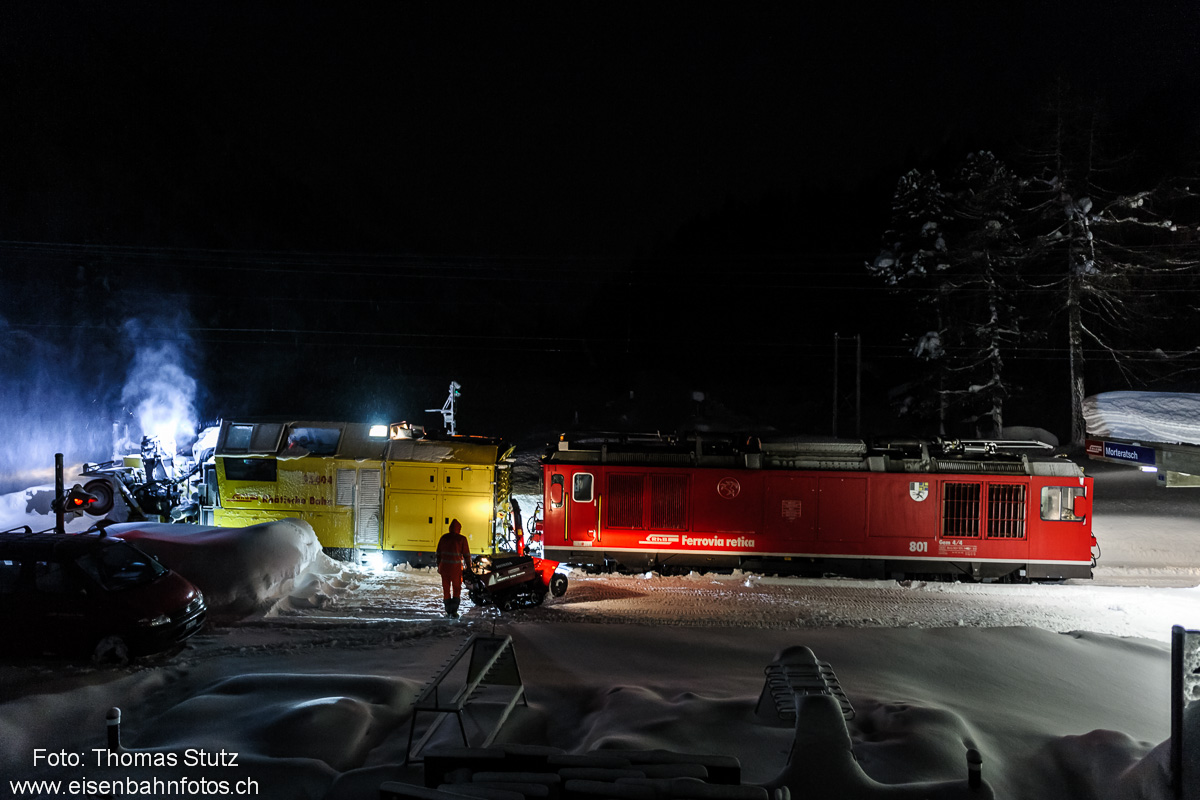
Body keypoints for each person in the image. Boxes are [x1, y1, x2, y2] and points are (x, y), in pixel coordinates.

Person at [436, 518, 472, 618]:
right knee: (456, 589)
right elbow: (466, 555)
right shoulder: (462, 539)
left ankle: (448, 610)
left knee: (446, 590)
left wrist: (439, 565)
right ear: (459, 528)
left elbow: (438, 553)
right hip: (456, 570)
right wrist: (469, 567)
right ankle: (454, 611)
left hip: (444, 569)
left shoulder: (443, 538)